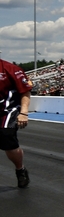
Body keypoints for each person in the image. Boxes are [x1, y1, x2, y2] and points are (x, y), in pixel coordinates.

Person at [0, 58, 32, 188]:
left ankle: (20, 169)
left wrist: (23, 113)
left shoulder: (11, 69)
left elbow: (25, 91)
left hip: (8, 110)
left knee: (6, 136)